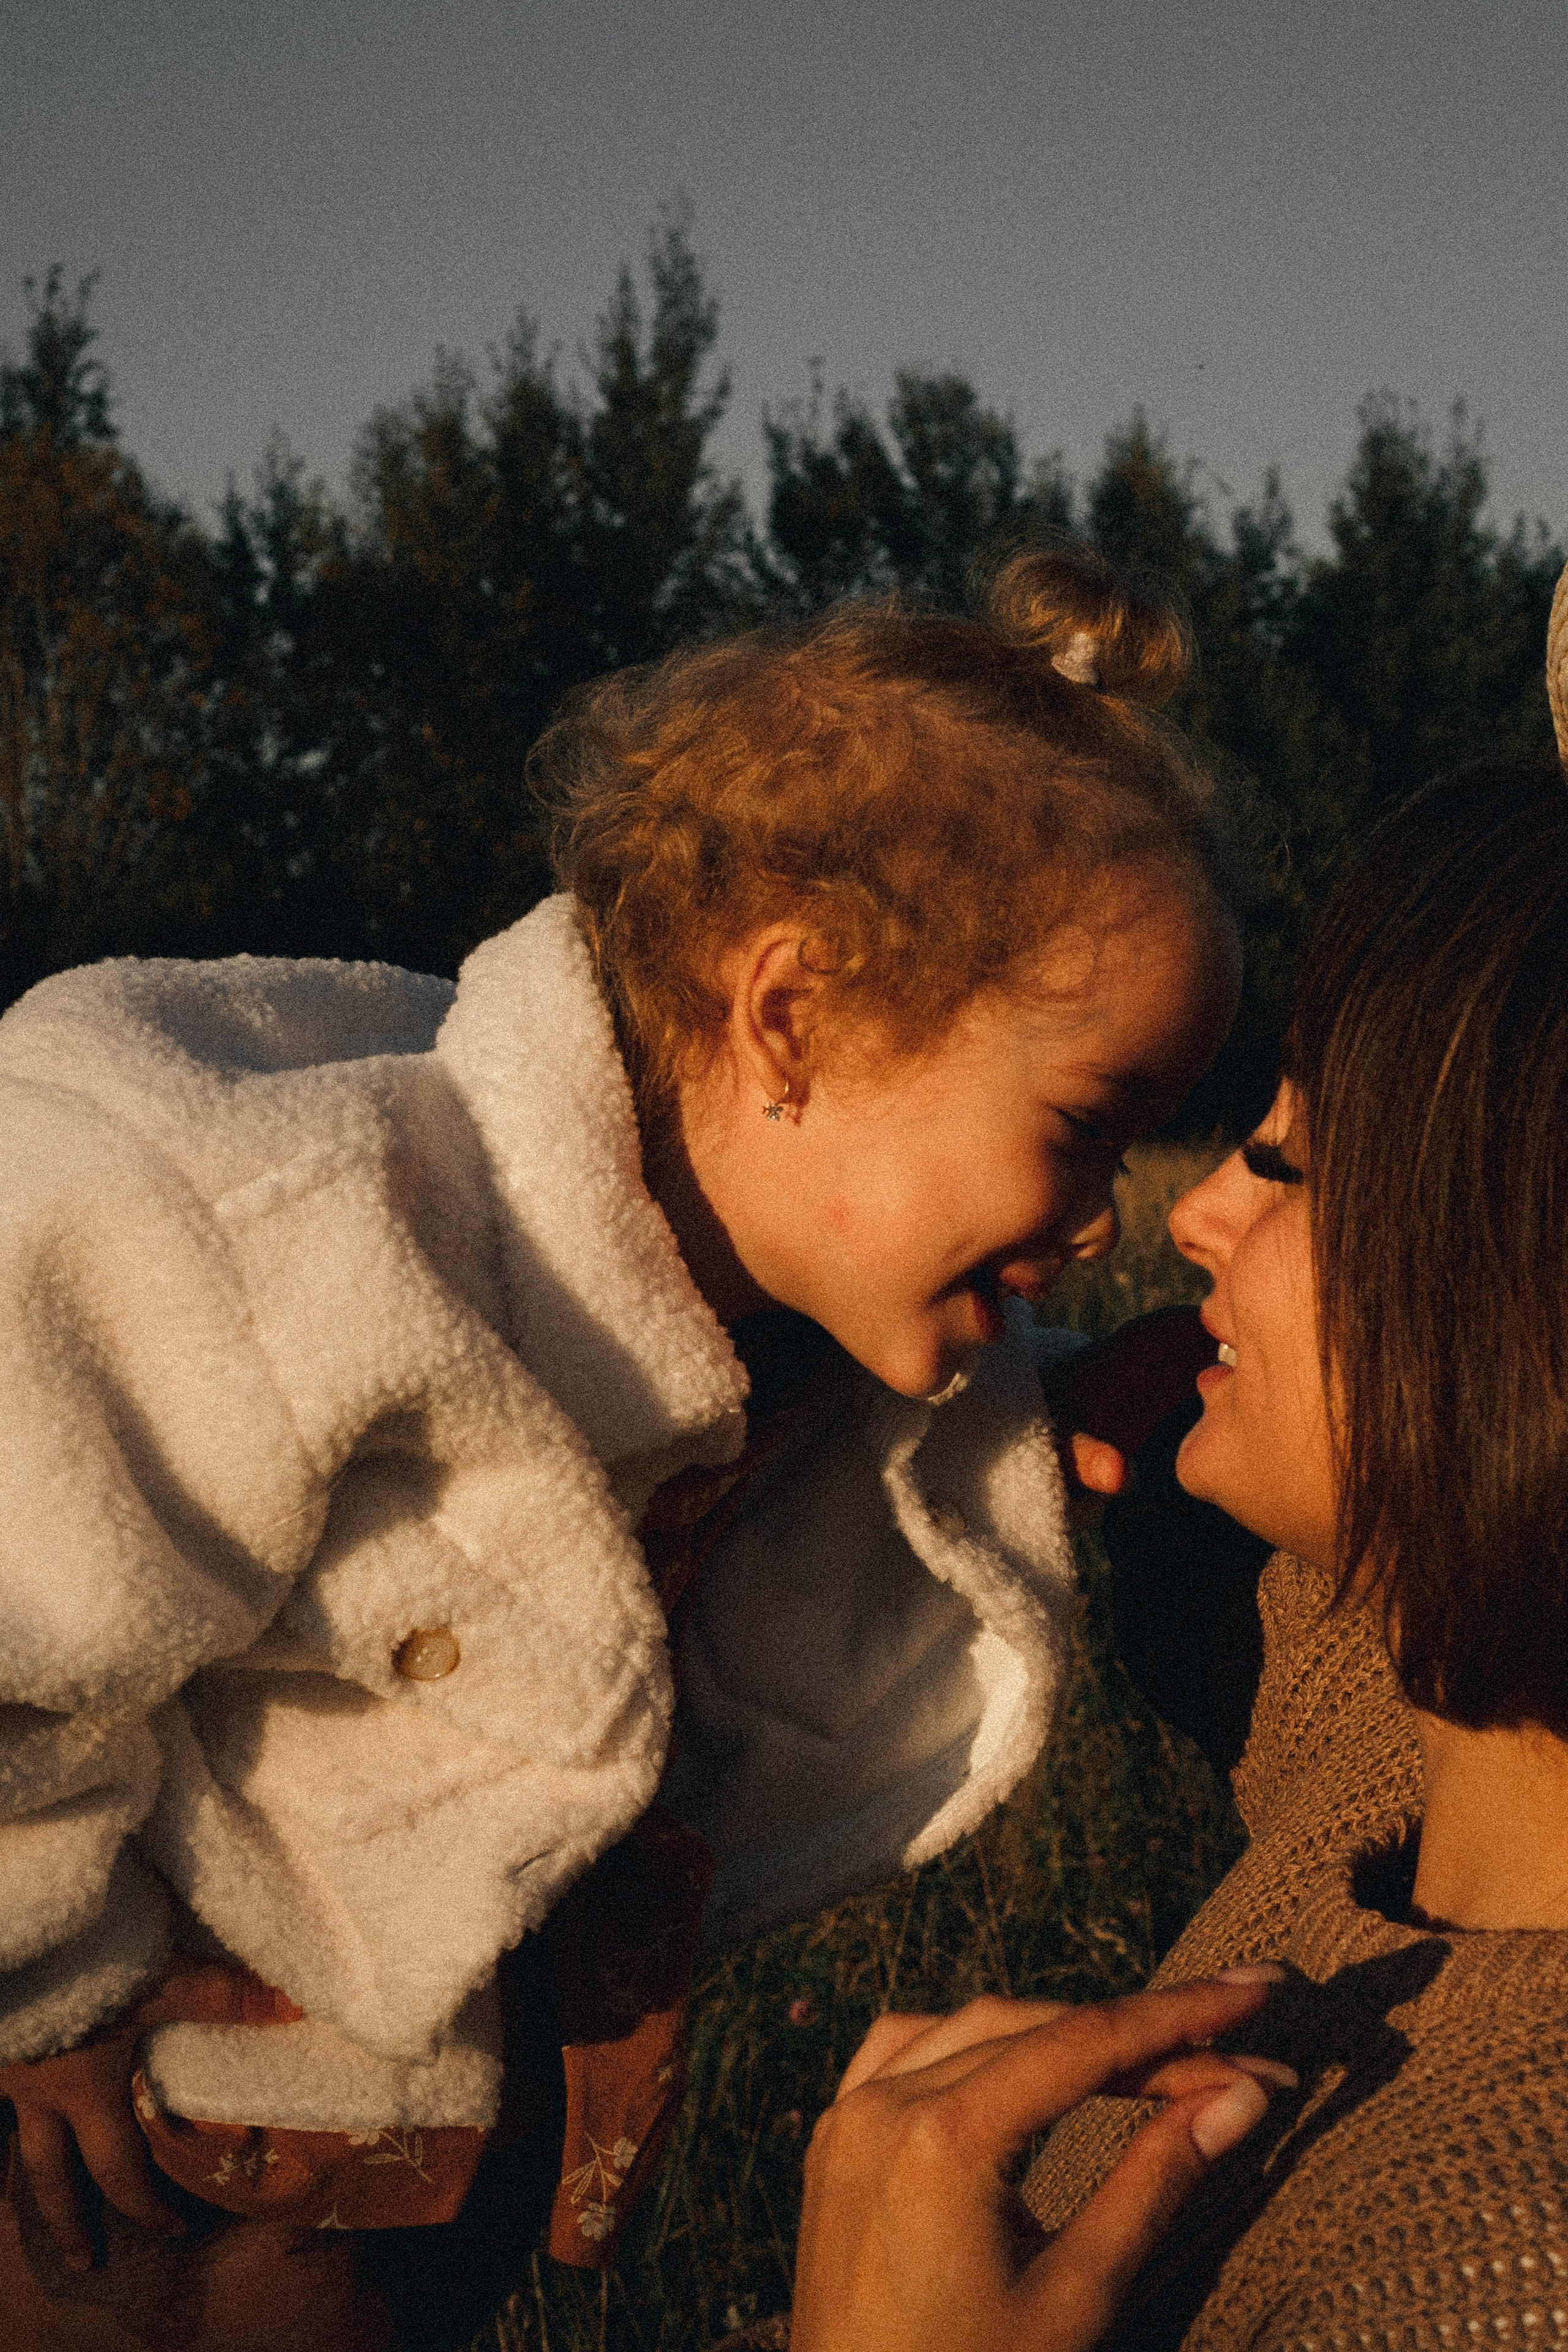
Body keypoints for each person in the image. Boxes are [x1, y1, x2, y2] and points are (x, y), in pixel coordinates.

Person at [0, 548, 1243, 2351]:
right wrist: (35, 1976)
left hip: (394, 2165)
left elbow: (837, 1405)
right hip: (96, 2136)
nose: (1106, 1216)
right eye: (1083, 1127)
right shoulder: (319, 1249)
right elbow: (32, 1557)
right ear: (793, 1018)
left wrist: (1063, 1399)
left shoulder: (784, 1316)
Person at [792, 573, 1568, 2349]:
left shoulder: (1503, 2262)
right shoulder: (1392, 1722)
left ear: (1511, 1299)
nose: (1199, 1212)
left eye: (1290, 1164)